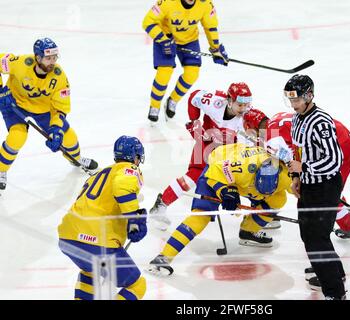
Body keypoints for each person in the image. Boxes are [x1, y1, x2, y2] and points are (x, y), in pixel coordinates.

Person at [147, 143, 292, 276]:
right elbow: (215, 173)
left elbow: (301, 190)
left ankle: (248, 231)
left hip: (245, 181)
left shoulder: (286, 177)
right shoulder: (243, 168)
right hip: (218, 171)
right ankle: (164, 257)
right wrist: (224, 191)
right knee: (200, 217)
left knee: (279, 199)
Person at [148, 82, 252, 231]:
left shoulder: (246, 119)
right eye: (240, 105)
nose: (244, 109)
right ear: (229, 101)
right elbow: (193, 96)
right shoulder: (215, 102)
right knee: (193, 177)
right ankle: (161, 205)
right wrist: (194, 122)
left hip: (228, 152)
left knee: (244, 178)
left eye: (246, 105)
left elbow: (244, 148)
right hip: (205, 143)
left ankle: (260, 213)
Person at [0, 38, 98, 191]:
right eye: (48, 58)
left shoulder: (59, 77)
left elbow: (60, 108)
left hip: (44, 110)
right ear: (37, 57)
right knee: (17, 137)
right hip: (14, 104)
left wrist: (56, 130)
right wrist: (1, 91)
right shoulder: (20, 62)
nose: (52, 62)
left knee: (68, 136)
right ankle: (1, 170)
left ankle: (76, 159)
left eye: (54, 57)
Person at [58, 135, 148, 300]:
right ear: (135, 157)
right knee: (137, 285)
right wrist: (134, 219)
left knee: (89, 271)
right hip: (97, 241)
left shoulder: (98, 175)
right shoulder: (129, 169)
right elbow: (122, 188)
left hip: (67, 237)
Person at [243, 108, 350, 234]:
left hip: (336, 148)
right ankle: (344, 226)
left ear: (253, 130)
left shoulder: (272, 140)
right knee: (330, 191)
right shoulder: (277, 116)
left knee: (328, 192)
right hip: (339, 137)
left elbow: (293, 163)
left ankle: (348, 228)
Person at [286, 74, 346, 300]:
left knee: (316, 240)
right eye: (290, 100)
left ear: (309, 96)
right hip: (309, 187)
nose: (294, 104)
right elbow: (298, 151)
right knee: (310, 236)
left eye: (297, 100)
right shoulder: (297, 119)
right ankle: (335, 274)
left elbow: (335, 160)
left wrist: (305, 168)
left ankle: (335, 293)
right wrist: (296, 175)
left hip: (325, 187)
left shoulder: (320, 121)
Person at [142, 0, 228, 122]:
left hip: (189, 40)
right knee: (164, 73)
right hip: (165, 38)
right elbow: (148, 22)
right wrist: (164, 40)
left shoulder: (206, 4)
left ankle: (173, 100)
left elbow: (210, 26)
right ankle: (154, 106)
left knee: (192, 74)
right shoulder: (167, 2)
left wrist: (215, 48)